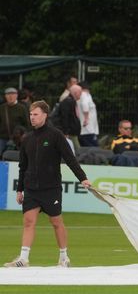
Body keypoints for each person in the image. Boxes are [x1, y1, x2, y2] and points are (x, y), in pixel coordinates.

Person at [5, 101, 91, 268]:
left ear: (45, 115)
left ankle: (64, 257)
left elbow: (70, 159)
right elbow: (23, 167)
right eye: (31, 114)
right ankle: (23, 258)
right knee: (28, 221)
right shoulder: (27, 138)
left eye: (36, 114)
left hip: (51, 189)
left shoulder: (55, 135)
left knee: (56, 222)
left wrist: (83, 178)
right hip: (31, 189)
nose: (32, 117)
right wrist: (19, 190)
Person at [0, 87, 31, 154]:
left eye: (13, 94)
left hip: (17, 138)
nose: (10, 97)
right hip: (3, 137)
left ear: (16, 95)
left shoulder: (22, 108)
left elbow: (27, 123)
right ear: (5, 96)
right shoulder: (2, 108)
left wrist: (25, 134)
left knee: (17, 155)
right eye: (8, 95)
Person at [54, 84, 82, 149]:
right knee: (77, 149)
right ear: (75, 92)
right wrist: (65, 132)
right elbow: (65, 117)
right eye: (80, 92)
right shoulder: (68, 102)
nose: (81, 94)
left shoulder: (71, 101)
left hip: (71, 132)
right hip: (70, 132)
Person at [77, 82, 100, 147]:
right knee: (94, 150)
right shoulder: (85, 94)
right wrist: (86, 118)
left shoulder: (80, 96)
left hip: (85, 129)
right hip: (88, 129)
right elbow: (84, 104)